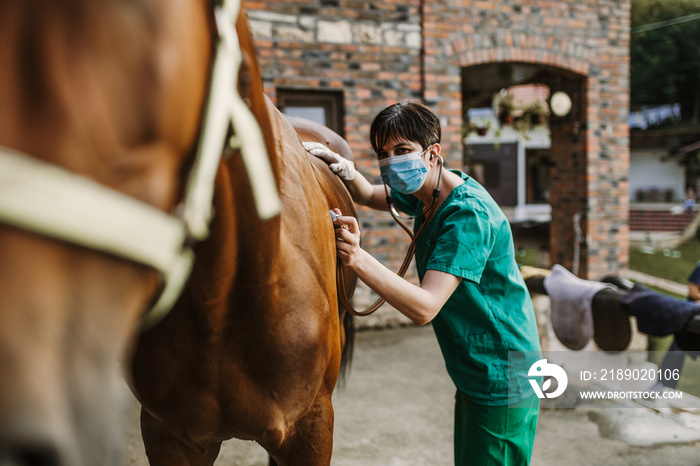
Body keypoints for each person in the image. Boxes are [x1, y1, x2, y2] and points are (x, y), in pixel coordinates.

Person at [305, 101, 541, 465]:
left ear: (433, 153)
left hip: (502, 371)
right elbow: (370, 194)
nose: (391, 162)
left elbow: (425, 307)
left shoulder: (466, 216)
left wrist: (356, 257)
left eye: (402, 151)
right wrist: (341, 168)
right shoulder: (432, 191)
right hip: (477, 369)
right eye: (383, 153)